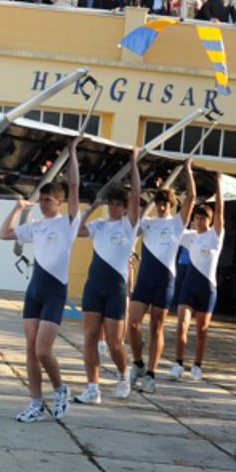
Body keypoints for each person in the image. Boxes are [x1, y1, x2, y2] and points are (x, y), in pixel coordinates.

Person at [0, 140, 82, 422]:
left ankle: (60, 389)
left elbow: (75, 186)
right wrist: (18, 208)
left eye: (49, 200)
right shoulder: (36, 226)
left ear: (60, 202)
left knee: (43, 351)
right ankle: (35, 403)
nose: (44, 203)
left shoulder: (67, 224)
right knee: (30, 351)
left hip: (54, 292)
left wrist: (72, 153)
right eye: (42, 199)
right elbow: (4, 234)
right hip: (34, 291)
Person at [76, 149, 142, 404]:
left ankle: (123, 375)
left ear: (125, 209)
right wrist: (92, 207)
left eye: (117, 204)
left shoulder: (129, 225)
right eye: (110, 204)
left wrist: (133, 162)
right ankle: (93, 388)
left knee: (114, 343)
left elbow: (135, 194)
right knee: (90, 337)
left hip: (115, 289)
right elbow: (77, 229)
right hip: (94, 286)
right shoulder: (100, 225)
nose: (113, 208)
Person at [127, 159, 196, 394]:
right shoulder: (147, 223)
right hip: (145, 280)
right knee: (132, 324)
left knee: (157, 327)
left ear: (172, 204)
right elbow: (133, 211)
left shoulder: (177, 223)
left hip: (164, 281)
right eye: (158, 202)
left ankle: (151, 374)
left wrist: (188, 171)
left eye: (165, 202)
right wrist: (135, 166)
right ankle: (138, 363)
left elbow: (192, 198)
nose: (162, 206)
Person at [171, 174, 224, 381]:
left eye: (204, 218)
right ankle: (178, 363)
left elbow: (220, 211)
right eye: (197, 218)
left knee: (201, 330)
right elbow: (175, 224)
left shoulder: (215, 236)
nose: (200, 221)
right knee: (182, 324)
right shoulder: (189, 236)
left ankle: (197, 365)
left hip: (207, 290)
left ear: (210, 221)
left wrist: (219, 185)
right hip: (189, 287)